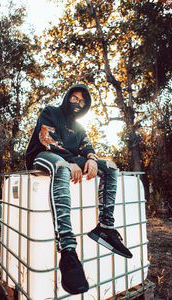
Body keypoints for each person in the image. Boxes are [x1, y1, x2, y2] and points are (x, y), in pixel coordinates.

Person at [26, 84, 132, 295]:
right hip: (43, 155)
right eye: (74, 98)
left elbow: (87, 146)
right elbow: (47, 139)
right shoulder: (51, 112)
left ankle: (105, 227)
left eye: (82, 101)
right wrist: (70, 161)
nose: (78, 103)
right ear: (67, 98)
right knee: (62, 166)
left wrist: (91, 159)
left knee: (110, 167)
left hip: (69, 158)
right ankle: (67, 249)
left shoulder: (80, 126)